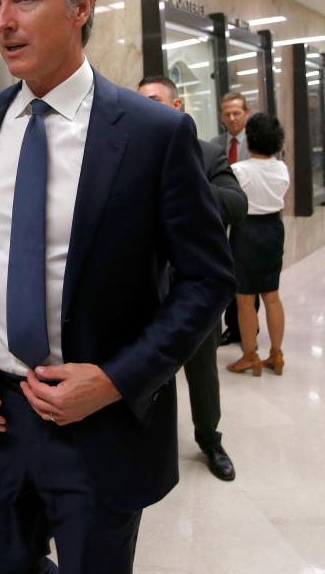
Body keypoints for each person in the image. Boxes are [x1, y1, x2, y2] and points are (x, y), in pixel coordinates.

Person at [0, 0, 235, 574]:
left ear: (79, 8)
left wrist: (114, 380)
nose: (3, 21)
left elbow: (206, 279)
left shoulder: (153, 134)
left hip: (98, 427)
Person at [138, 75, 246, 481]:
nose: (147, 109)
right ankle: (147, 446)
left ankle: (209, 440)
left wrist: (189, 188)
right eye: (141, 102)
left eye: (155, 101)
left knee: (202, 374)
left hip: (193, 292)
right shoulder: (127, 154)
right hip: (143, 290)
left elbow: (237, 204)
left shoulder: (207, 155)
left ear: (177, 105)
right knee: (146, 373)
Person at [226, 113, 290, 377]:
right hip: (274, 229)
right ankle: (276, 354)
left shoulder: (240, 171)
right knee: (272, 295)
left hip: (246, 231)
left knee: (245, 299)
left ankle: (249, 355)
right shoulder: (281, 168)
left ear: (249, 140)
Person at [211, 91, 257, 346]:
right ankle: (234, 325)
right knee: (229, 273)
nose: (232, 118)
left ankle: (249, 327)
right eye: (227, 114)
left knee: (248, 279)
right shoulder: (215, 144)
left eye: (236, 113)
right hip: (223, 222)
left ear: (246, 114)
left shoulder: (257, 143)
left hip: (251, 219)